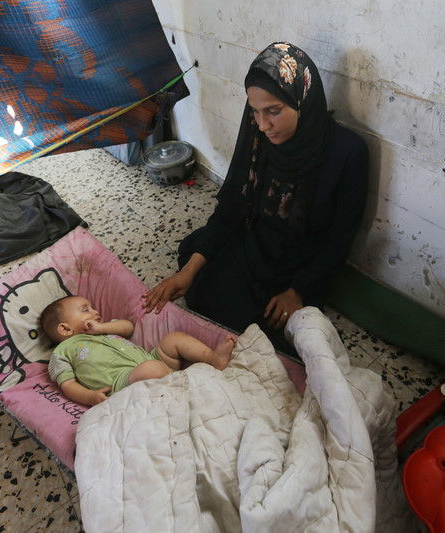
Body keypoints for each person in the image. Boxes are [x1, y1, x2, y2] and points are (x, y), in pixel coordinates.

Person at [142, 42, 369, 357]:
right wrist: (189, 272)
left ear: (303, 101)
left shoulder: (348, 153)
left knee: (281, 334)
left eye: (273, 111)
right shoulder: (259, 132)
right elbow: (232, 209)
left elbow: (339, 238)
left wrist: (297, 291)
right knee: (198, 277)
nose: (262, 126)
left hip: (301, 261)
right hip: (256, 243)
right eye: (255, 111)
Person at [40, 295, 236, 406]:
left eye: (93, 308)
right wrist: (89, 397)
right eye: (86, 310)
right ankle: (189, 389)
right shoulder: (62, 352)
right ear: (65, 329)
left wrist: (102, 328)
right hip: (124, 382)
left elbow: (128, 327)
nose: (95, 312)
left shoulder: (104, 328)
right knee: (151, 369)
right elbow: (67, 384)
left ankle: (213, 359)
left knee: (173, 339)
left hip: (152, 359)